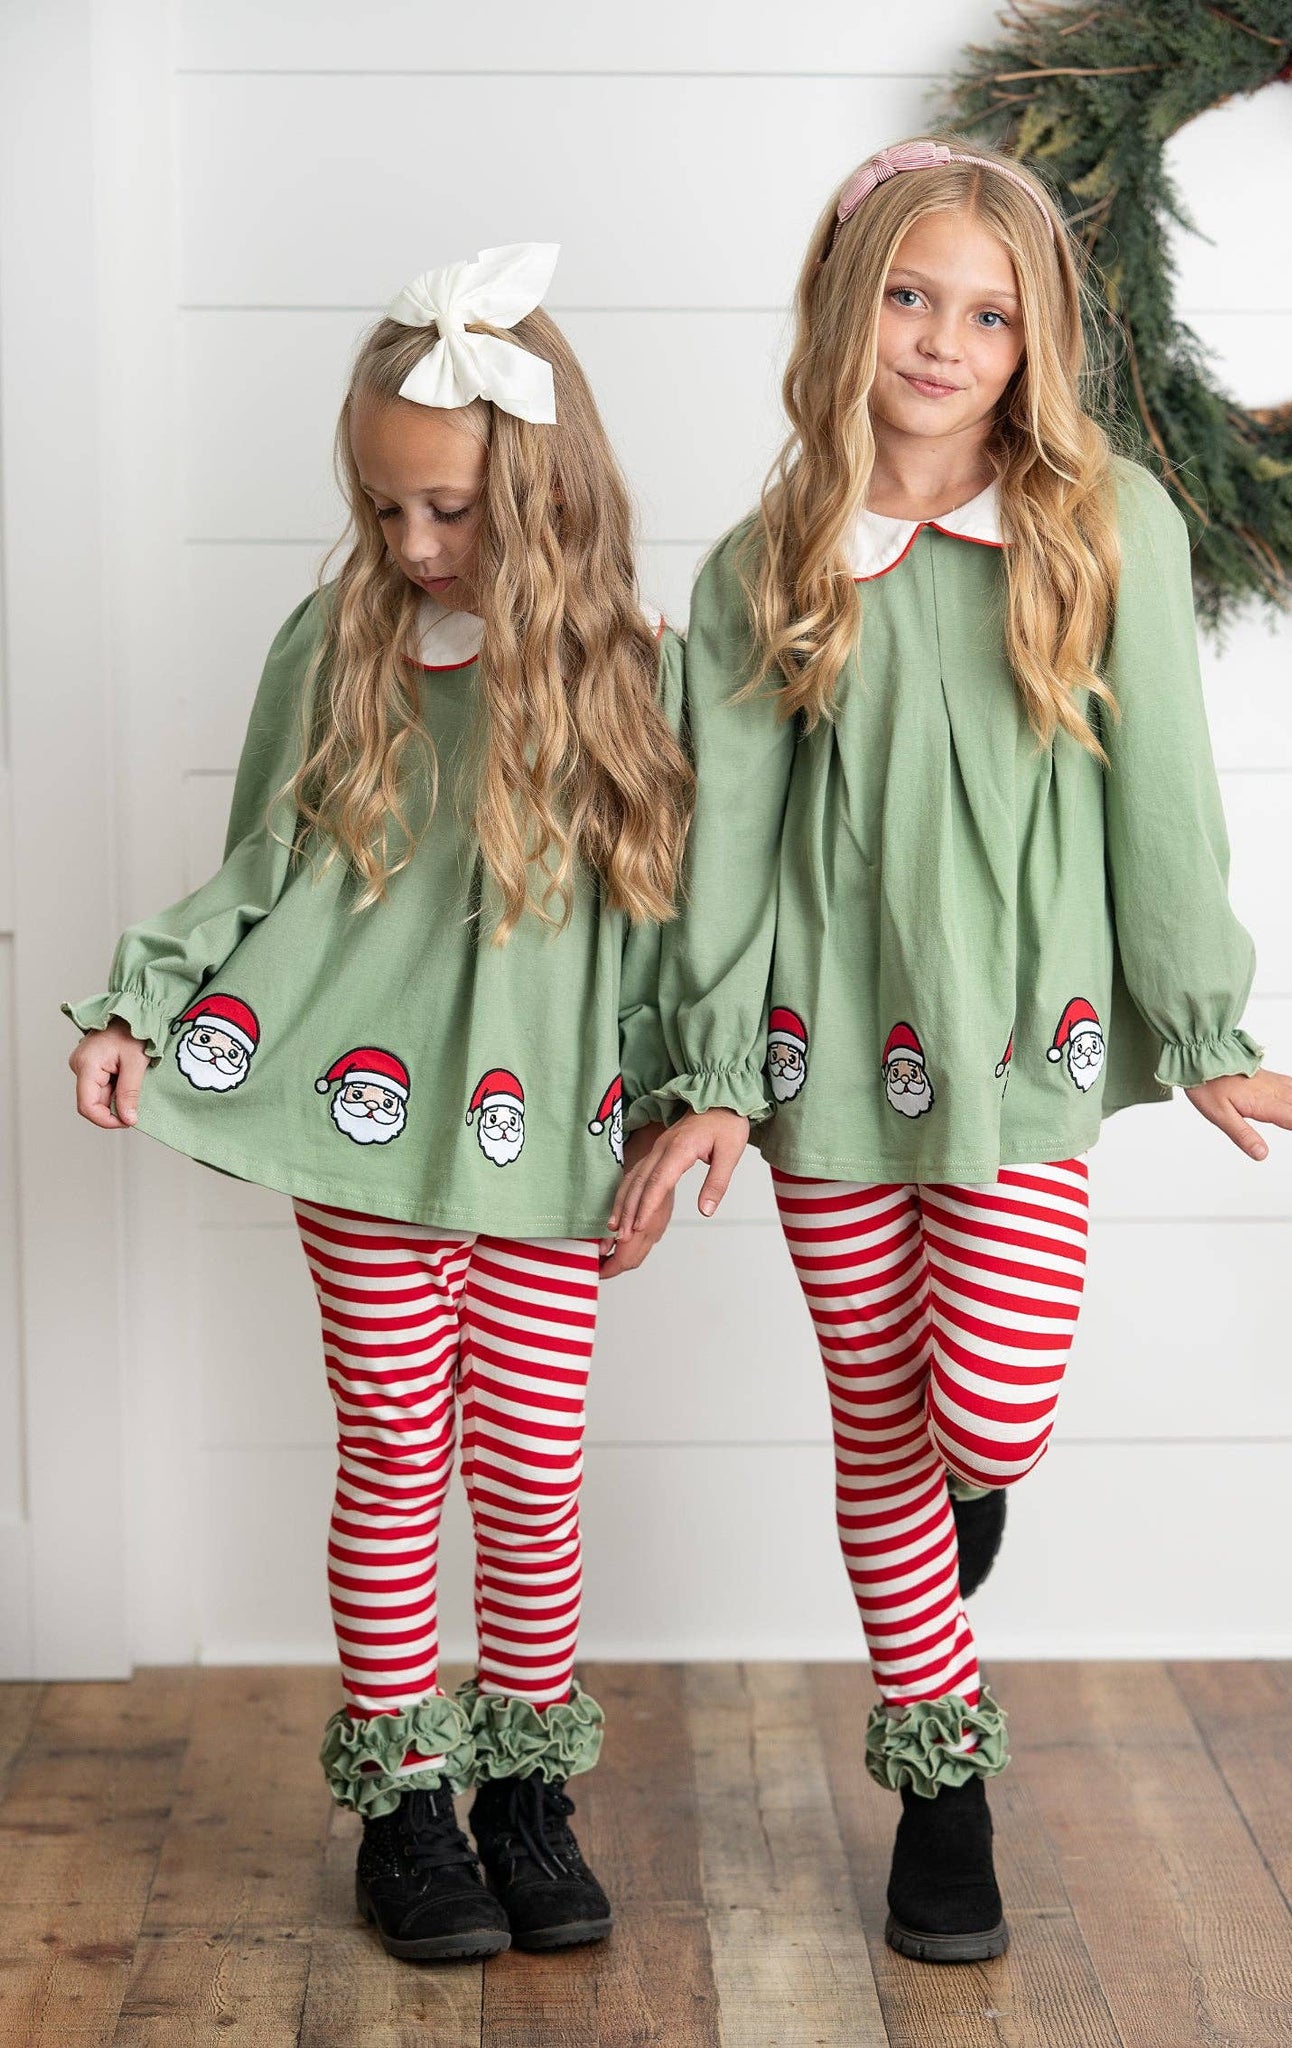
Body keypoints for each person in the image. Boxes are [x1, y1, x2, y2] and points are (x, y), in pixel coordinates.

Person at [611, 142, 1292, 1964]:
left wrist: (1204, 1028)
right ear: (843, 308)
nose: (944, 342)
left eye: (989, 315)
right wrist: (715, 1075)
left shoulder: (1108, 528)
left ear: (1036, 345)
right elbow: (727, 847)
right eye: (909, 298)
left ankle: (973, 1484)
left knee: (988, 1406)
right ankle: (943, 1793)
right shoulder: (771, 562)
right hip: (828, 1054)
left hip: (1025, 1044)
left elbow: (1165, 796)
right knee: (877, 1418)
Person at [66, 245, 692, 1961]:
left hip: (542, 1135)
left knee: (533, 1471)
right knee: (398, 1451)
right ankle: (404, 1803)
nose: (413, 544)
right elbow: (257, 866)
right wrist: (140, 1001)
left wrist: (674, 1104)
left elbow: (666, 921)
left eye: (449, 510)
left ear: (540, 494)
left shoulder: (636, 672)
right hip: (360, 1132)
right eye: (384, 507)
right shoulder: (340, 641)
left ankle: (528, 1793)